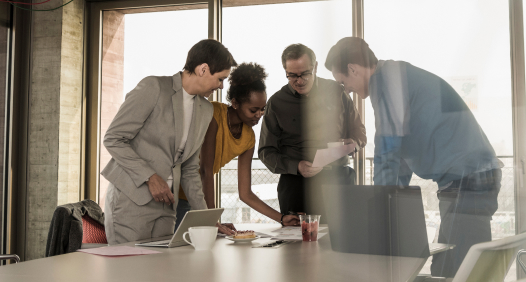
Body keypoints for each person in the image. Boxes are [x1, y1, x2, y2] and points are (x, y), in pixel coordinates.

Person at [324, 37, 503, 277]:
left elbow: (387, 150)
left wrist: (379, 207)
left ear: (353, 69)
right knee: (449, 266)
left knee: (458, 271)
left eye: (343, 82)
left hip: (468, 179)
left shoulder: (385, 82)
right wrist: (391, 203)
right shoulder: (396, 75)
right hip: (470, 178)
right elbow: (399, 157)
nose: (348, 90)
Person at [102, 39, 237, 245]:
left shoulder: (205, 110)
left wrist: (207, 218)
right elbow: (114, 139)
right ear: (203, 69)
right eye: (220, 79)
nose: (221, 86)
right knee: (128, 272)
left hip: (167, 206)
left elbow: (190, 169)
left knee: (161, 271)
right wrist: (150, 177)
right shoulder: (153, 87)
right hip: (130, 201)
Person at [175, 63, 300, 229]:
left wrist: (282, 218)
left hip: (196, 200)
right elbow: (206, 170)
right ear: (235, 103)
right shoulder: (213, 114)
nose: (259, 115)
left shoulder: (249, 138)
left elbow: (245, 193)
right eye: (253, 110)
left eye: (262, 110)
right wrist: (213, 221)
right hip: (175, 193)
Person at [258, 44, 367, 217]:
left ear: (315, 67)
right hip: (295, 185)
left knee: (343, 240)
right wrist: (296, 166)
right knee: (296, 242)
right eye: (292, 75)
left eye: (305, 73)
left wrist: (354, 143)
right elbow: (266, 152)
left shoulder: (337, 92)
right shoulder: (276, 103)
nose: (299, 81)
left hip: (338, 180)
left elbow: (360, 133)